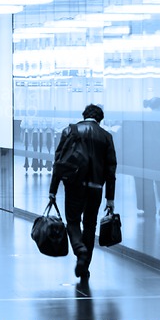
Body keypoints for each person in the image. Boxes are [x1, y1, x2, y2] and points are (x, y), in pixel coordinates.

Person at [48, 104, 117, 282]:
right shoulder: (106, 136)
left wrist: (53, 190)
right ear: (100, 119)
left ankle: (80, 251)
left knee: (72, 221)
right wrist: (110, 198)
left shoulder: (69, 131)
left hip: (73, 185)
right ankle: (85, 268)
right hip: (96, 187)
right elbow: (111, 170)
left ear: (84, 115)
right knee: (90, 225)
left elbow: (59, 162)